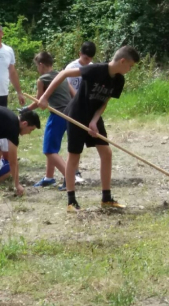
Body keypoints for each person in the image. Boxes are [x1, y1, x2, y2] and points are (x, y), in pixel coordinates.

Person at [38, 45, 140, 212]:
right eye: (130, 66)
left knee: (106, 152)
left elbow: (104, 101)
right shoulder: (95, 69)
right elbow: (63, 74)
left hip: (93, 116)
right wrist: (44, 97)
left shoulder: (118, 79)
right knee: (74, 157)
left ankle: (106, 198)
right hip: (76, 115)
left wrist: (94, 120)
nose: (130, 69)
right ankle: (71, 202)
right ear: (122, 61)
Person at [26, 52, 75, 190]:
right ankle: (49, 178)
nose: (37, 69)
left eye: (37, 66)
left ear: (41, 65)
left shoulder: (42, 79)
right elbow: (74, 95)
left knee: (48, 150)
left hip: (58, 115)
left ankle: (69, 178)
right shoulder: (61, 76)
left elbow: (39, 101)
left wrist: (25, 110)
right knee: (52, 147)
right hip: (69, 114)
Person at [64, 41, 97, 184]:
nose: (87, 62)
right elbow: (67, 84)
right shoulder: (71, 67)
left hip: (88, 108)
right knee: (74, 143)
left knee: (82, 142)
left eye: (89, 59)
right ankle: (73, 172)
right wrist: (77, 100)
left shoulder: (93, 68)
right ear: (80, 54)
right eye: (85, 59)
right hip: (74, 107)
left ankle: (76, 170)